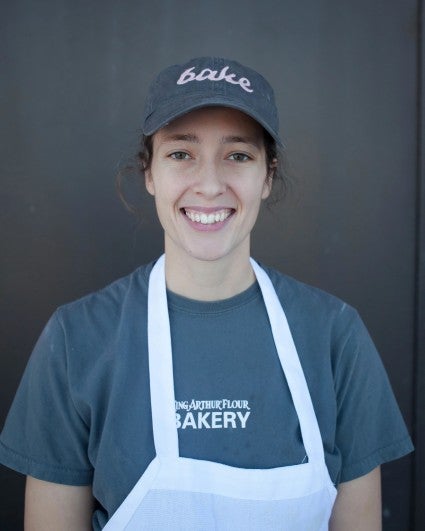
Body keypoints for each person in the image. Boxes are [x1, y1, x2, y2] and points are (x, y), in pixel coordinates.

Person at [0, 57, 413, 530]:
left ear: (268, 176)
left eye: (238, 155)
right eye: (181, 154)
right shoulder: (76, 339)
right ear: (149, 172)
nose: (211, 185)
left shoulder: (335, 336)